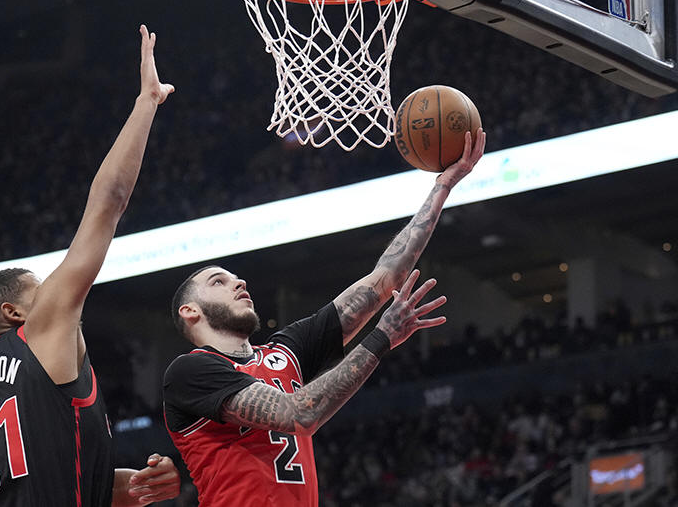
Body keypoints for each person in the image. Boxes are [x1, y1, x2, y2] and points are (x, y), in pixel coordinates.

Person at [164, 129, 487, 506]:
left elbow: (386, 278)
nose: (239, 283)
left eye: (236, 278)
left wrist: (443, 187)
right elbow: (299, 414)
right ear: (190, 311)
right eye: (219, 281)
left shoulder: (285, 352)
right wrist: (381, 336)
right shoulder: (190, 372)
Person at [0, 26, 180, 506]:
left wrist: (133, 485)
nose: (57, 291)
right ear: (14, 313)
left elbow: (55, 475)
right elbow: (109, 202)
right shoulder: (35, 336)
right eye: (40, 289)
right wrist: (146, 102)